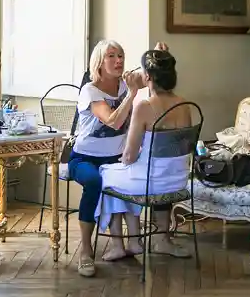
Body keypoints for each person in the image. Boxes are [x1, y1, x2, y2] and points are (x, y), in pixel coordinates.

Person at [95, 48, 193, 260]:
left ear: (147, 77)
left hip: (151, 182)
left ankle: (119, 244)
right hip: (178, 180)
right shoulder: (185, 105)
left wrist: (125, 159)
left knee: (106, 174)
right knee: (130, 173)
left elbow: (129, 156)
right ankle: (162, 240)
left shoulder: (144, 106)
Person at [67, 39, 140, 277]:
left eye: (120, 55)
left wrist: (158, 56)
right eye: (111, 56)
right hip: (84, 159)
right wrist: (131, 95)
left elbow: (149, 75)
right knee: (94, 182)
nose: (118, 60)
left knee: (140, 172)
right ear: (99, 62)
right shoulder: (90, 90)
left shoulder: (124, 85)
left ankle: (133, 242)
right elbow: (113, 120)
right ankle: (86, 251)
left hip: (115, 159)